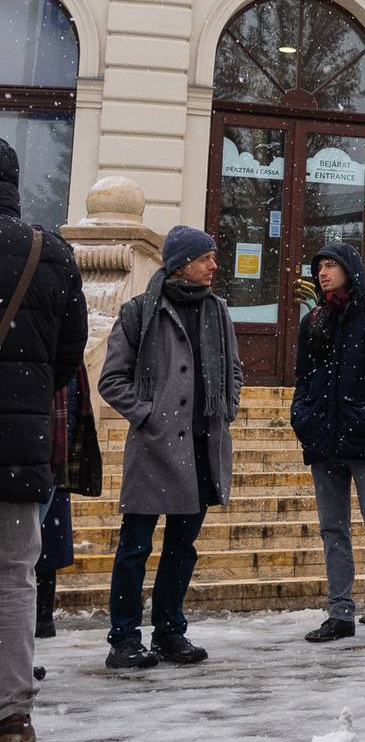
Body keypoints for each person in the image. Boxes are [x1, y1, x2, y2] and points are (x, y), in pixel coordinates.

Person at [97, 225, 241, 669]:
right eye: (205, 258)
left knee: (182, 546)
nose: (214, 265)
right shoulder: (140, 311)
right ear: (181, 264)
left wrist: (228, 407)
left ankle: (169, 631)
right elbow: (111, 379)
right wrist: (149, 415)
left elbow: (234, 371)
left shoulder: (218, 312)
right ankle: (124, 638)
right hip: (155, 448)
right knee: (135, 546)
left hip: (202, 447)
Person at [0, 136, 88, 742]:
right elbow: (68, 356)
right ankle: (12, 711)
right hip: (20, 447)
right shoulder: (49, 252)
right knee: (14, 577)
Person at [292, 243, 365, 642]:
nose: (322, 273)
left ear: (349, 268)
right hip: (324, 441)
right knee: (333, 531)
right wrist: (302, 417)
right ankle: (340, 613)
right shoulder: (314, 320)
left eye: (330, 265)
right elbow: (304, 378)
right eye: (319, 266)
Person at [35, 369, 100, 640]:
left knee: (43, 549)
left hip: (51, 462)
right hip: (43, 459)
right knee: (35, 550)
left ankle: (41, 618)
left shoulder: (68, 361)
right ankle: (39, 619)